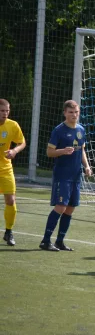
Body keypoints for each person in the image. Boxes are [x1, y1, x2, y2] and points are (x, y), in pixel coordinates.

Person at [40, 100, 92, 251]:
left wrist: (87, 166)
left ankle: (60, 241)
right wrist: (63, 151)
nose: (74, 115)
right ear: (65, 113)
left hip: (76, 176)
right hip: (62, 175)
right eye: (71, 112)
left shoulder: (81, 129)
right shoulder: (59, 130)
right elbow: (49, 152)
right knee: (61, 207)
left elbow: (81, 150)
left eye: (76, 112)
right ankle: (45, 241)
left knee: (70, 208)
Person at [0, 99, 26, 246]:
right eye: (2, 111)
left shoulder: (12, 125)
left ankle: (8, 232)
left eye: (7, 111)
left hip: (6, 169)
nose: (5, 113)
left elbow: (22, 142)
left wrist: (14, 150)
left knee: (11, 201)